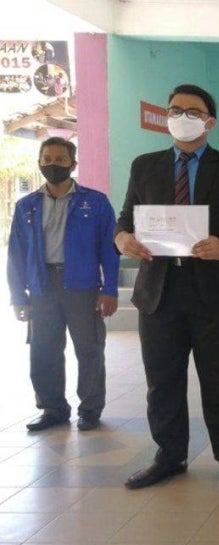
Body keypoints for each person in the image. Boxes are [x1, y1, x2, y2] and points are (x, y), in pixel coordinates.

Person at [115, 84, 219, 490]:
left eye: (192, 111)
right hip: (158, 291)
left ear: (210, 121)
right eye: (175, 110)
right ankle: (169, 456)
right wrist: (122, 239)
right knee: (162, 380)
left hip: (213, 291)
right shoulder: (144, 166)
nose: (182, 116)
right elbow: (125, 218)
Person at [7, 137, 119, 432]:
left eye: (60, 159)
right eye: (47, 159)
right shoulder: (26, 206)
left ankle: (91, 409)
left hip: (82, 287)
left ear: (73, 164)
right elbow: (16, 254)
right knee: (44, 349)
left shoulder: (95, 202)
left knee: (89, 348)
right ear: (39, 162)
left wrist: (109, 290)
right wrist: (18, 296)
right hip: (42, 287)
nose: (53, 164)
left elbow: (110, 248)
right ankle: (53, 408)